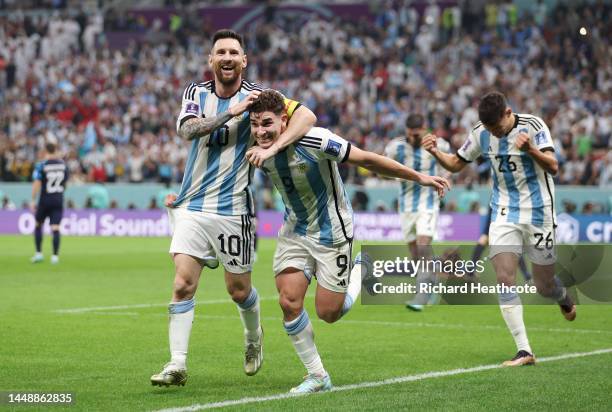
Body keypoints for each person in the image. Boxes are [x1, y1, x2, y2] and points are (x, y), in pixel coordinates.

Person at [246, 89, 449, 393]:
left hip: (333, 232)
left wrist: (419, 177)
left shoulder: (316, 139)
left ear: (284, 120)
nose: (260, 132)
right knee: (289, 301)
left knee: (329, 313)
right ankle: (318, 376)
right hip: (295, 229)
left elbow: (367, 159)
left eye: (267, 124)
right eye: (255, 125)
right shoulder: (253, 147)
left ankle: (359, 271)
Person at [150, 30, 317, 387]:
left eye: (233, 52)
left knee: (239, 291)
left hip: (233, 209)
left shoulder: (259, 97)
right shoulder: (195, 93)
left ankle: (254, 337)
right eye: (220, 52)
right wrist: (232, 113)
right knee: (182, 284)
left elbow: (307, 118)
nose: (227, 57)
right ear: (211, 60)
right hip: (192, 204)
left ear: (244, 60)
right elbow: (188, 130)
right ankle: (177, 364)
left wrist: (272, 148)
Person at [422, 91, 576, 366]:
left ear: (508, 113)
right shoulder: (482, 132)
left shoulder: (534, 125)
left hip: (539, 212)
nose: (495, 134)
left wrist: (530, 149)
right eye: (490, 130)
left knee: (544, 285)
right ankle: (524, 350)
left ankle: (562, 296)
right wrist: (435, 152)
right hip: (504, 210)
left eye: (498, 128)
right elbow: (456, 163)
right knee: (505, 277)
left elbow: (553, 166)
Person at [384, 114, 451, 311]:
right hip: (405, 205)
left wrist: (445, 177)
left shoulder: (440, 145)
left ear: (425, 128)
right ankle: (435, 281)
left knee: (423, 245)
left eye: (417, 134)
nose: (414, 139)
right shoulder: (395, 147)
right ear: (406, 131)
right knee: (415, 252)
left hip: (428, 203)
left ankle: (421, 295)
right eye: (411, 135)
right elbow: (382, 169)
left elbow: (450, 164)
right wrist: (392, 176)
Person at [30, 138, 68, 264]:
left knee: (38, 224)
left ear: (45, 151)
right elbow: (65, 183)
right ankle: (55, 256)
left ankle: (39, 254)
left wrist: (33, 199)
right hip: (58, 199)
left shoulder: (42, 165)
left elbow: (37, 183)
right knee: (56, 228)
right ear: (55, 150)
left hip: (45, 199)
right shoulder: (63, 165)